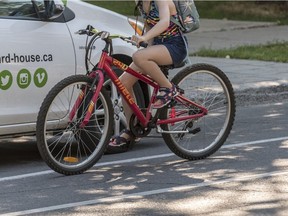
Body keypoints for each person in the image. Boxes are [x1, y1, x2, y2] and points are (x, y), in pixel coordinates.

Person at [106, 0, 188, 154]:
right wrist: (146, 44)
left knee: (139, 57)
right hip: (158, 46)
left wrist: (144, 39)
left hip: (175, 46)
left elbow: (164, 22)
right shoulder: (141, 2)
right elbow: (150, 24)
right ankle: (132, 129)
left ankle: (169, 89)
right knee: (123, 83)